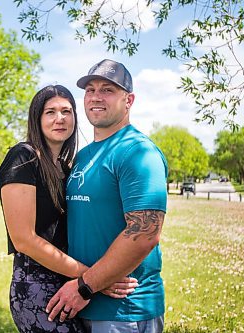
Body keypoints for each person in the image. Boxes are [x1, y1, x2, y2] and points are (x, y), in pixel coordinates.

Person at [0, 84, 138, 333]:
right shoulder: (24, 157)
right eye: (50, 112)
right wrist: (93, 278)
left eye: (67, 111)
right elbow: (24, 240)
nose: (60, 118)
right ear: (37, 118)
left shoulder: (67, 167)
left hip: (70, 284)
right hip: (37, 287)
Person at [46, 59, 168, 333]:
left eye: (107, 90)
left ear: (129, 100)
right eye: (90, 89)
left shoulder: (138, 152)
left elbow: (144, 234)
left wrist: (84, 286)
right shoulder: (82, 156)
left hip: (125, 311)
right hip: (81, 306)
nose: (96, 97)